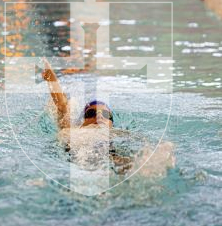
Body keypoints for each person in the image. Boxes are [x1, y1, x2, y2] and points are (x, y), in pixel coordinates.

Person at [41, 58, 175, 176]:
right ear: (83, 121)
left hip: (106, 158)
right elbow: (62, 106)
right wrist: (51, 79)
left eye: (105, 114)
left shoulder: (116, 135)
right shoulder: (73, 130)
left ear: (111, 123)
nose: (99, 116)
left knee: (132, 163)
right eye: (91, 113)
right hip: (76, 161)